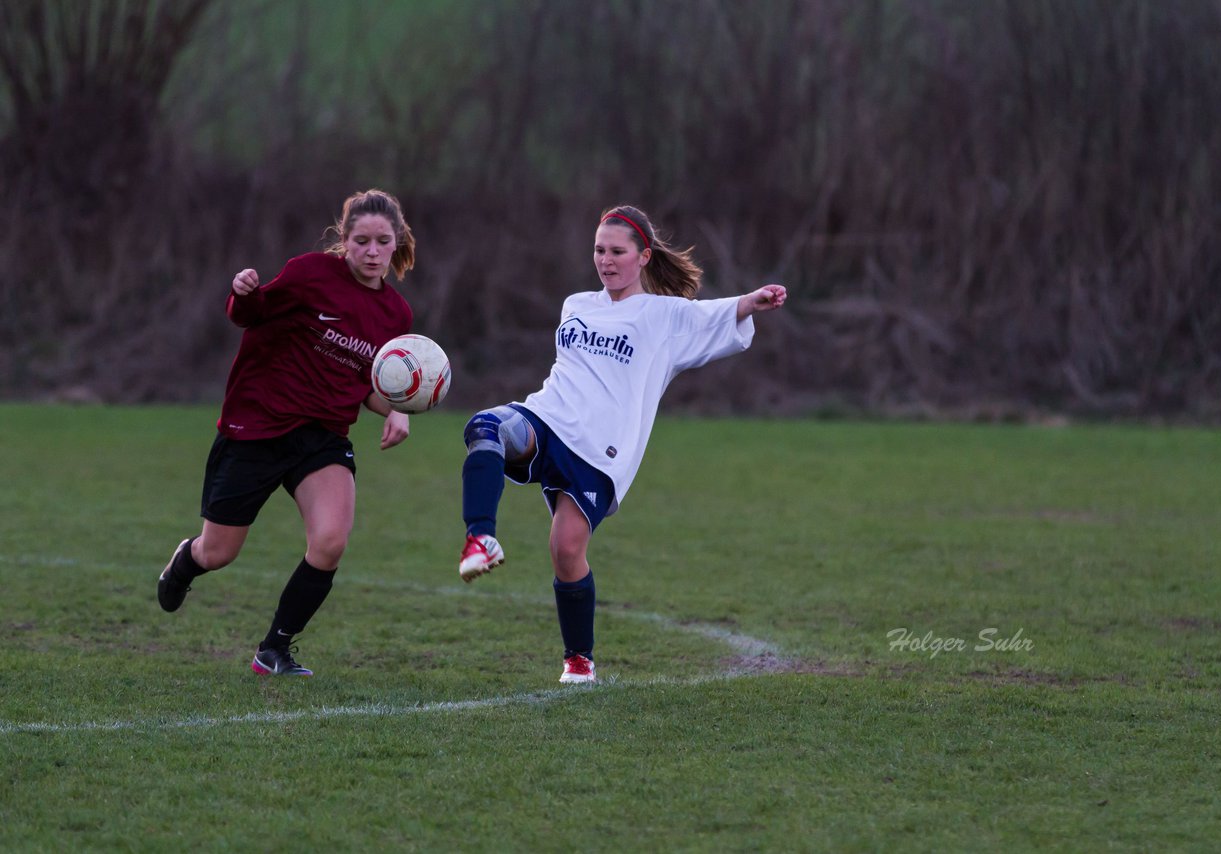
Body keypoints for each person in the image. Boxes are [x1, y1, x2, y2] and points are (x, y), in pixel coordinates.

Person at [457, 204, 787, 684]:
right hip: (548, 419)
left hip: (600, 451)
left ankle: (579, 660)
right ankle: (480, 536)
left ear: (643, 256)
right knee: (485, 427)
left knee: (566, 550)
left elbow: (713, 315)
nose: (605, 260)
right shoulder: (576, 304)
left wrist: (752, 300)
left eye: (617, 251)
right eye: (598, 250)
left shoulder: (663, 316)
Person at [156, 188, 417, 677]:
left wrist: (398, 409)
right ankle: (186, 561)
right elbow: (246, 316)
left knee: (331, 541)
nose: (373, 252)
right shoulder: (309, 273)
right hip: (257, 425)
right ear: (344, 240)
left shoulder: (396, 315)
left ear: (397, 240)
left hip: (322, 438)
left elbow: (370, 385)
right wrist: (243, 292)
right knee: (219, 552)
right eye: (362, 240)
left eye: (383, 241)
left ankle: (273, 649)